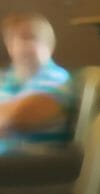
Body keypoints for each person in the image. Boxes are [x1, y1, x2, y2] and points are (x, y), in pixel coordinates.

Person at [0, 12, 73, 154]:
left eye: (29, 37)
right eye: (13, 39)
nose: (21, 45)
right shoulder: (8, 77)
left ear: (49, 44)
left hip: (28, 166)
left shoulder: (56, 78)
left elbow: (17, 116)